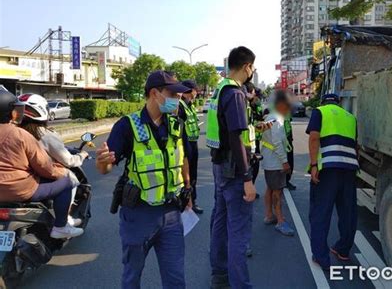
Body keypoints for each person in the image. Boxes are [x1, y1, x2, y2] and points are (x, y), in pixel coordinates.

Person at [95, 71, 192, 289]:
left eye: (179, 95)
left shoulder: (177, 124)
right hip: (138, 214)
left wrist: (188, 189)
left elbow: (183, 157)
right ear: (155, 94)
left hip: (171, 214)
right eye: (172, 94)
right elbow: (106, 166)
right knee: (132, 276)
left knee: (176, 279)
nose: (178, 99)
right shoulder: (127, 126)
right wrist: (102, 162)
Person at [207, 46, 269, 289]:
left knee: (220, 225)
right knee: (239, 233)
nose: (252, 71)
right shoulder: (235, 94)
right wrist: (247, 178)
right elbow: (236, 138)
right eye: (252, 67)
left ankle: (219, 277)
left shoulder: (219, 90)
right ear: (247, 67)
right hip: (234, 171)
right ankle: (240, 285)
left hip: (220, 167)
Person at [0, 87, 82, 239]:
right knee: (66, 182)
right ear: (11, 112)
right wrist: (61, 172)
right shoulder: (20, 134)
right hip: (19, 190)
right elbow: (44, 167)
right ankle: (60, 227)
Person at [306, 93, 359, 270]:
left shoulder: (319, 112)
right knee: (348, 212)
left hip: (328, 169)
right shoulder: (350, 117)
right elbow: (355, 145)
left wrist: (314, 165)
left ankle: (321, 257)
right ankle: (343, 250)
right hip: (350, 169)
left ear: (323, 102)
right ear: (338, 103)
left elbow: (314, 138)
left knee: (321, 212)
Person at [18, 93, 87, 227]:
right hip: (30, 181)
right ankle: (63, 222)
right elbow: (68, 161)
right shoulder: (44, 134)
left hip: (15, 179)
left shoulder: (12, 132)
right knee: (69, 180)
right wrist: (82, 155)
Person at [261, 90, 295, 236]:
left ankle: (269, 215)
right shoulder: (276, 119)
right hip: (275, 161)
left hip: (270, 160)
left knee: (270, 188)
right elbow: (277, 142)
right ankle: (280, 221)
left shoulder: (273, 117)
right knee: (277, 191)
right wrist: (285, 161)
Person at [178, 79, 203, 214]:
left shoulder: (190, 105)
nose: (196, 93)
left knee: (193, 175)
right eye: (195, 90)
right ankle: (186, 202)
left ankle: (192, 201)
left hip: (192, 143)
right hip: (185, 143)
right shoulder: (180, 106)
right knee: (186, 175)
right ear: (188, 91)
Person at [284, 108, 296, 190]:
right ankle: (283, 181)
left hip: (288, 139)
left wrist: (291, 137)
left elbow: (288, 124)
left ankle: (286, 180)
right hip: (282, 139)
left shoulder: (287, 111)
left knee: (290, 161)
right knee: (285, 161)